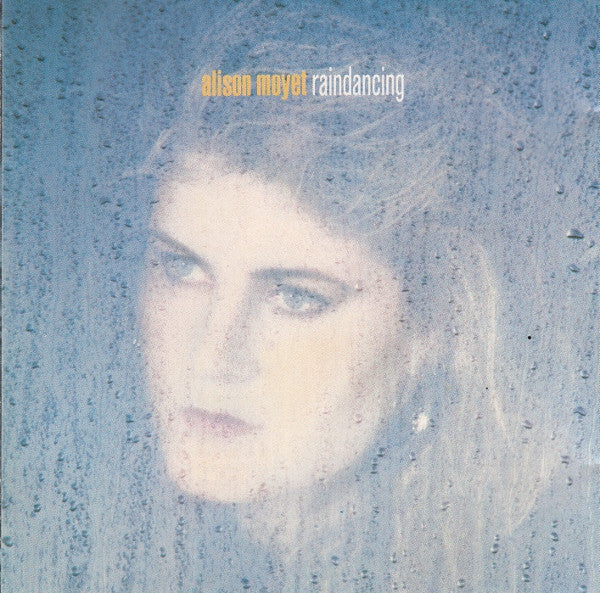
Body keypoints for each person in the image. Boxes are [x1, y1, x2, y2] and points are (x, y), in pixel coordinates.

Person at [134, 2, 598, 591]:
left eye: (297, 298)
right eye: (182, 268)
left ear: (439, 326)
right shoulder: (93, 527)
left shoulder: (563, 554)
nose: (211, 356)